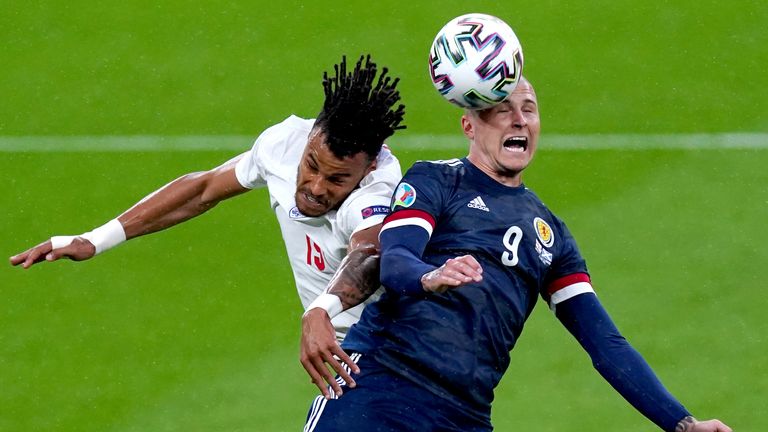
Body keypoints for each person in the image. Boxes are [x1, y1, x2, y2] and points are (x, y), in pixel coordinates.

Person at [302, 78, 732, 432]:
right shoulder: (436, 180)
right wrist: (429, 277)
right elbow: (394, 260)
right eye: (502, 109)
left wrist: (681, 422)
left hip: (463, 416)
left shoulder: (552, 236)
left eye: (529, 109)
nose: (519, 120)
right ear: (469, 126)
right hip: (377, 387)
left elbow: (605, 343)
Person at [9, 55, 405, 369]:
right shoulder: (284, 144)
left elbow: (369, 253)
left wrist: (321, 309)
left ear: (368, 167)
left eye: (336, 179)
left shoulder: (377, 192)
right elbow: (202, 189)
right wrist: (94, 240)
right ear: (311, 135)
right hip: (347, 349)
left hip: (388, 346)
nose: (316, 188)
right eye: (312, 166)